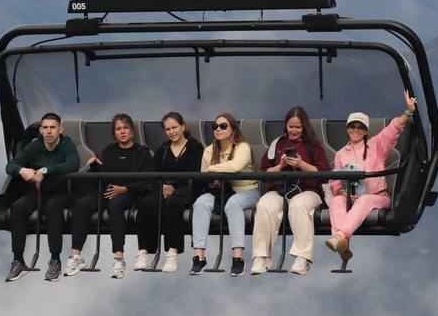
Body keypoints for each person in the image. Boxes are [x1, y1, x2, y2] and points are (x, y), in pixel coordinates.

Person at [324, 91, 418, 264]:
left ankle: (339, 236)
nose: (355, 130)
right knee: (336, 201)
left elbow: (392, 130)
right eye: (352, 126)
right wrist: (343, 193)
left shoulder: (375, 145)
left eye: (360, 127)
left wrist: (408, 112)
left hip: (376, 196)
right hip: (350, 197)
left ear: (366, 131)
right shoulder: (341, 154)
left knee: (364, 200)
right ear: (347, 129)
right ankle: (342, 244)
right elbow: (335, 180)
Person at [64, 113, 153, 280]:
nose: (122, 132)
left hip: (129, 192)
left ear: (132, 131)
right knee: (82, 205)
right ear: (114, 133)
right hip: (107, 190)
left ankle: (119, 259)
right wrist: (95, 166)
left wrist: (125, 188)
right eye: (118, 129)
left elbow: (147, 180)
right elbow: (103, 176)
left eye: (126, 128)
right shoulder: (109, 150)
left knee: (115, 205)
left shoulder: (142, 152)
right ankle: (76, 256)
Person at [250, 106, 332, 275]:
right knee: (264, 205)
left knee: (298, 205)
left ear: (305, 127)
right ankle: (261, 257)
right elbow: (264, 174)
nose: (294, 131)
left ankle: (302, 259)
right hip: (280, 190)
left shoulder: (313, 145)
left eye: (298, 127)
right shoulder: (277, 144)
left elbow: (324, 173)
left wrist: (302, 165)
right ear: (286, 126)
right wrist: (279, 167)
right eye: (291, 127)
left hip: (308, 191)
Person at [4, 112, 80, 282]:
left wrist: (45, 171)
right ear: (40, 130)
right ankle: (18, 260)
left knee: (53, 208)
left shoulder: (67, 145)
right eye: (45, 128)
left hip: (61, 192)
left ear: (60, 129)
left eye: (52, 127)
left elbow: (73, 164)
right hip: (37, 192)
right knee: (18, 208)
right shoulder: (35, 146)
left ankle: (55, 260)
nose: (49, 131)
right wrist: (22, 170)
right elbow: (11, 166)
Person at [190, 114, 259, 276]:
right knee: (200, 203)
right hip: (219, 192)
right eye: (215, 126)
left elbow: (235, 166)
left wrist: (212, 169)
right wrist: (212, 181)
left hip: (246, 191)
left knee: (233, 204)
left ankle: (238, 258)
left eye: (223, 126)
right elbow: (204, 176)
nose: (218, 129)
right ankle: (199, 257)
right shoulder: (209, 150)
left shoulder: (243, 147)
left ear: (233, 129)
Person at [135, 112, 202, 274]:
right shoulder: (164, 148)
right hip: (164, 188)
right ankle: (144, 252)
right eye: (168, 129)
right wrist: (163, 186)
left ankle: (172, 253)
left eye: (174, 127)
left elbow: (195, 171)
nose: (171, 132)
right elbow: (153, 171)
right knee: (147, 203)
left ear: (183, 127)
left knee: (173, 204)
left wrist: (173, 185)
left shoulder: (195, 147)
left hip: (186, 187)